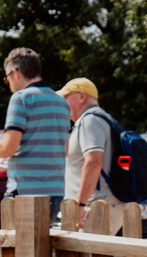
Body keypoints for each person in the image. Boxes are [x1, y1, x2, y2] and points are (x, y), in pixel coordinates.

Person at [0, 47, 71, 223]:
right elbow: (65, 149)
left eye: (7, 79)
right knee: (42, 247)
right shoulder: (61, 103)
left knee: (22, 248)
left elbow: (9, 147)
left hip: (25, 190)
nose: (9, 84)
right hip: (56, 190)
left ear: (15, 73)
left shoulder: (21, 98)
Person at [57, 77, 123, 234]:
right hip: (102, 205)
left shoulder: (90, 120)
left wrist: (80, 205)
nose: (62, 104)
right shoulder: (103, 119)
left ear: (82, 96)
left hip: (94, 207)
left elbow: (93, 162)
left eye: (66, 98)